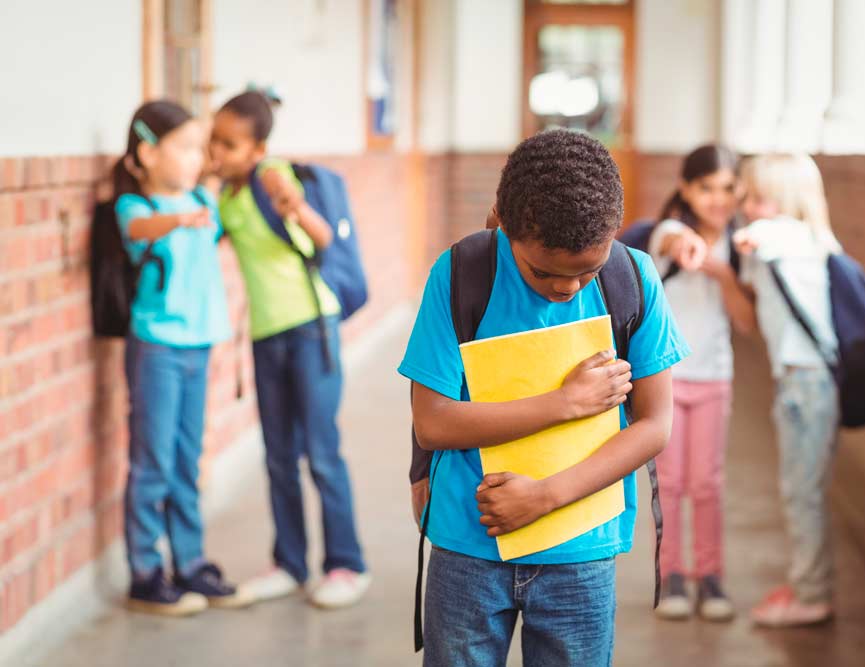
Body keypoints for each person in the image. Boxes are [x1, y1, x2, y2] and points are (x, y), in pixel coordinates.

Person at [400, 129, 689, 666]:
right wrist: (565, 404)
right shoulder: (462, 274)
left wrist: (546, 496)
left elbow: (654, 425)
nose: (568, 288)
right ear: (504, 226)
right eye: (545, 271)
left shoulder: (635, 279)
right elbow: (433, 422)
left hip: (581, 550)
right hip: (470, 542)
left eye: (589, 271)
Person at [208, 90, 369, 608]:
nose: (217, 151)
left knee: (321, 453)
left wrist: (294, 204)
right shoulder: (227, 195)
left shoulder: (271, 174)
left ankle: (346, 565)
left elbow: (323, 239)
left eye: (228, 144)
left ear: (257, 148)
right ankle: (290, 562)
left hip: (309, 328)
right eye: (213, 140)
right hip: (265, 337)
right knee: (278, 456)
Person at [113, 100, 249, 615]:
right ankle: (146, 572)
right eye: (186, 147)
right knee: (153, 461)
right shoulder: (136, 208)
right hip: (155, 349)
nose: (197, 158)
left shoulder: (201, 198)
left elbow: (212, 209)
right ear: (147, 153)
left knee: (187, 460)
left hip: (198, 348)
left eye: (200, 148)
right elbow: (139, 231)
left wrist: (203, 197)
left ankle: (189, 563)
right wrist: (179, 218)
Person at [645, 144, 756, 622]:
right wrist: (688, 248)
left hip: (714, 376)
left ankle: (709, 577)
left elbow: (747, 322)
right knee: (668, 482)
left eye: (727, 188)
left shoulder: (741, 244)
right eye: (706, 187)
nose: (717, 198)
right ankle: (670, 575)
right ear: (687, 189)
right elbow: (670, 241)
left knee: (706, 483)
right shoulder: (669, 231)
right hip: (665, 380)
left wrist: (724, 273)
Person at [734, 153, 841, 627]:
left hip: (806, 383)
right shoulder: (802, 242)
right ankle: (805, 581)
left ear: (785, 202)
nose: (750, 207)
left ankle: (812, 595)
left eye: (759, 198)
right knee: (801, 489)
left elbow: (755, 237)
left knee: (803, 494)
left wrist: (750, 230)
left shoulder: (790, 236)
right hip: (801, 381)